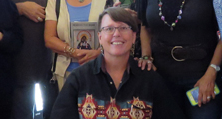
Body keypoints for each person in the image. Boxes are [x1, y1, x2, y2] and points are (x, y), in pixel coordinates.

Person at [51, 7, 187, 119]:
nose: (116, 34)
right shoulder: (78, 79)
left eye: (123, 28)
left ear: (134, 37)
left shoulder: (150, 80)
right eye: (109, 29)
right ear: (100, 37)